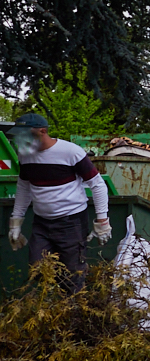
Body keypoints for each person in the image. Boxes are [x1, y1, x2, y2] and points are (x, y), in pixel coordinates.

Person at [7, 113, 110, 292]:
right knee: (38, 268)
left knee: (72, 275)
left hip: (71, 222)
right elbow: (24, 188)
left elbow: (97, 185)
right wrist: (15, 222)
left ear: (42, 131)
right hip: (42, 223)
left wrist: (102, 221)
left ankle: (73, 306)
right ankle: (50, 304)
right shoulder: (25, 156)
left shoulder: (70, 152)